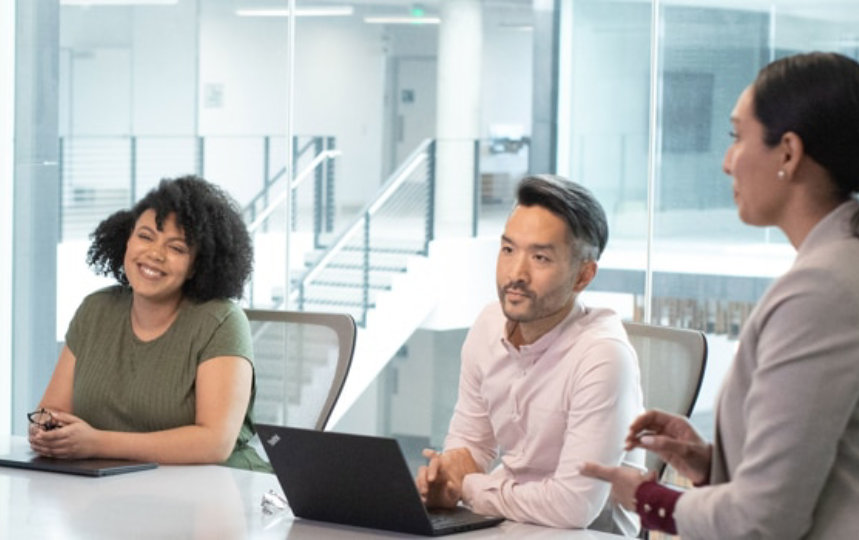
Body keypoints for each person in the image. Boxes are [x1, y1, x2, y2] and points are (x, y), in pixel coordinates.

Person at [581, 51, 859, 539]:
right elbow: (827, 468)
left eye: (736, 137)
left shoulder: (823, 289)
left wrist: (645, 499)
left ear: (788, 154)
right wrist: (712, 463)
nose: (728, 162)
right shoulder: (837, 267)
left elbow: (764, 520)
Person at [415, 175, 644, 536]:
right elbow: (470, 444)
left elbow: (574, 506)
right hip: (509, 527)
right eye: (508, 250)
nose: (515, 274)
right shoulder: (488, 326)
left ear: (583, 276)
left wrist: (468, 486)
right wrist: (445, 474)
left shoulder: (603, 357)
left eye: (539, 257)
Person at [28, 175, 270, 472]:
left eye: (177, 248)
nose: (154, 254)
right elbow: (52, 409)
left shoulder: (222, 321)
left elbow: (215, 442)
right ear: (126, 239)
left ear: (198, 264)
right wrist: (46, 430)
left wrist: (97, 443)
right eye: (145, 236)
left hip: (216, 492)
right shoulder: (96, 310)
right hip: (114, 490)